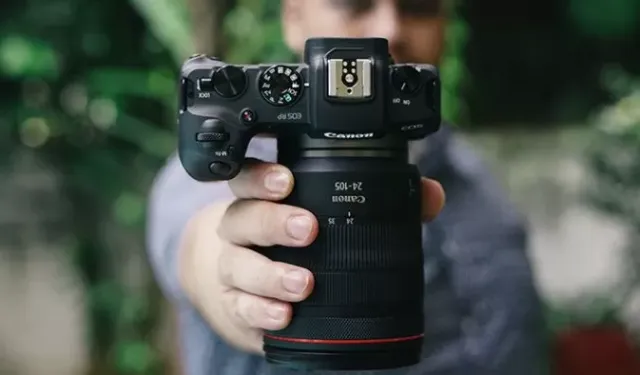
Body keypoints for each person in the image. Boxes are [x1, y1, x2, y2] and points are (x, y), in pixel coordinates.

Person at [146, 0, 546, 374]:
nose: (390, 28)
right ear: (293, 17)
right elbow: (202, 241)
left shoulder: (478, 184)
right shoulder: (235, 175)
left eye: (418, 5)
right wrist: (238, 283)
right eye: (354, 2)